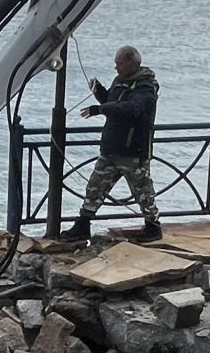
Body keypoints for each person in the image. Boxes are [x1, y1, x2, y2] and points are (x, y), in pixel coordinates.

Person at [64, 45, 164, 244]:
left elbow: (131, 108)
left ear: (132, 64)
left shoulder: (146, 87)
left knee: (142, 191)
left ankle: (153, 227)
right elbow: (112, 102)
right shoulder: (120, 82)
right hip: (111, 148)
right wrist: (99, 91)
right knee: (95, 187)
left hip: (133, 151)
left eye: (119, 64)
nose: (116, 68)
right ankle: (83, 225)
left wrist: (100, 109)